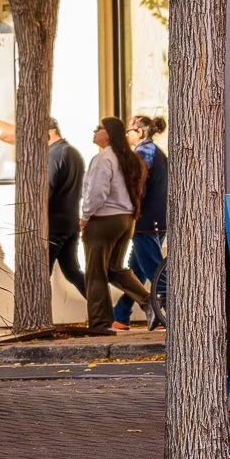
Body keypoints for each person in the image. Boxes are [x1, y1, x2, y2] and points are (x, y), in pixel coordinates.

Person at [80, 116, 150, 334]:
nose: (94, 131)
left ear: (108, 134)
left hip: (104, 220)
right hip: (126, 220)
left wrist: (85, 215)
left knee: (96, 272)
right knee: (115, 269)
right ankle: (149, 303)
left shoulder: (104, 158)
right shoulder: (128, 158)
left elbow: (97, 192)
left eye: (98, 128)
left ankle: (100, 323)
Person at [112, 116, 167, 331]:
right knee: (137, 269)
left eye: (130, 130)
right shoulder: (154, 151)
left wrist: (128, 208)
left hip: (145, 220)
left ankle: (167, 312)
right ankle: (121, 315)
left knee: (154, 269)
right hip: (155, 219)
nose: (127, 134)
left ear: (140, 132)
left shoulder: (143, 153)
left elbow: (137, 187)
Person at [47, 120, 85, 300]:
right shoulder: (74, 152)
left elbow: (46, 189)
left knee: (41, 272)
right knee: (72, 271)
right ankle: (103, 311)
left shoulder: (53, 154)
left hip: (54, 224)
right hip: (70, 222)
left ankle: (37, 317)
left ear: (51, 130)